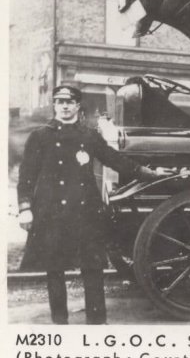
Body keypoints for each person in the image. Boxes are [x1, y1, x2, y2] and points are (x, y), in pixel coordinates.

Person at [17, 85, 164, 324]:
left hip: (85, 213)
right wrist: (25, 208)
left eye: (70, 102)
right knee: (54, 270)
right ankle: (59, 323)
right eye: (60, 101)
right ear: (54, 105)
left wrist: (148, 172)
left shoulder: (88, 136)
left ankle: (97, 323)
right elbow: (26, 177)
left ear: (77, 106)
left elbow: (115, 160)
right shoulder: (39, 136)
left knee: (92, 268)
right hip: (51, 212)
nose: (65, 106)